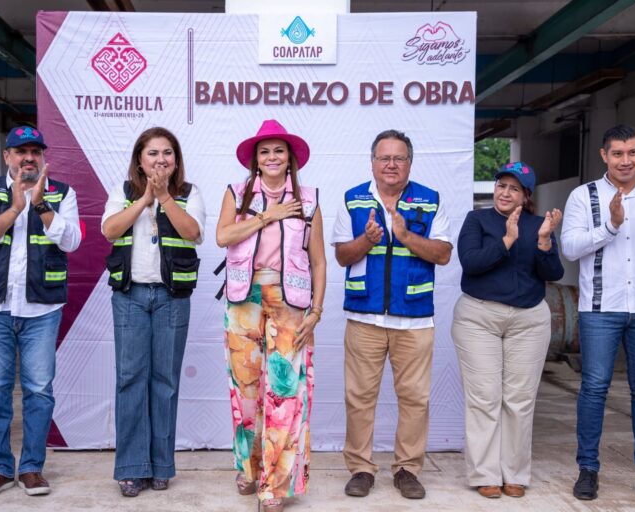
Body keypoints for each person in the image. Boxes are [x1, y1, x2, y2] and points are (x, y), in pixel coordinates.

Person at [332, 129, 452, 500]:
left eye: (399, 158)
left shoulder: (429, 200)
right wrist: (366, 241)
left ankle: (407, 469)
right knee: (359, 397)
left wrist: (404, 235)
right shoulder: (353, 200)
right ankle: (361, 468)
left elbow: (443, 253)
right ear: (373, 162)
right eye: (384, 158)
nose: (391, 164)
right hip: (365, 318)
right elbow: (341, 256)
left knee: (415, 399)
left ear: (410, 163)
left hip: (414, 320)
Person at [0, 126, 81, 498]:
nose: (28, 158)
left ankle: (31, 467)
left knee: (39, 391)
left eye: (34, 152)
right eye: (20, 152)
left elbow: (72, 240)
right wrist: (16, 207)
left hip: (42, 308)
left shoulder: (62, 193)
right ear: (7, 157)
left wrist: (41, 205)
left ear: (44, 157)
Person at [216, 119, 326, 512]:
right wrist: (269, 215)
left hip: (291, 302)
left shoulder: (309, 199)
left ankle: (275, 488)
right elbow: (223, 237)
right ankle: (250, 468)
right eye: (265, 152)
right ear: (256, 160)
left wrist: (317, 309)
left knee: (283, 391)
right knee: (245, 392)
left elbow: (318, 260)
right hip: (244, 300)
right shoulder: (238, 192)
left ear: (290, 157)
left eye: (279, 150)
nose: (273, 157)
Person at [101, 127, 205, 497]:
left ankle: (161, 465)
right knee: (130, 379)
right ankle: (132, 468)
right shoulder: (123, 193)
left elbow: (193, 232)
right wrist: (146, 198)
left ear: (176, 160)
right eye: (152, 153)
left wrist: (166, 199)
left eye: (167, 153)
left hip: (171, 299)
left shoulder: (190, 194)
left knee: (165, 381)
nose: (160, 160)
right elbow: (109, 230)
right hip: (130, 297)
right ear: (139, 159)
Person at [451, 162, 564, 499]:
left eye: (514, 188)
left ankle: (514, 472)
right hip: (479, 318)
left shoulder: (539, 224)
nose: (505, 192)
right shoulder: (477, 220)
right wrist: (507, 241)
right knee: (485, 398)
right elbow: (471, 263)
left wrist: (543, 241)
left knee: (519, 400)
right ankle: (485, 473)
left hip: (528, 320)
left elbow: (553, 272)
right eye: (502, 185)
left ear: (526, 196)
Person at [562, 124, 635, 501]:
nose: (625, 160)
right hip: (599, 309)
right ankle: (589, 469)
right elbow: (569, 248)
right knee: (594, 389)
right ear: (603, 156)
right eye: (617, 153)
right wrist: (610, 225)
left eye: (632, 152)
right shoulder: (584, 196)